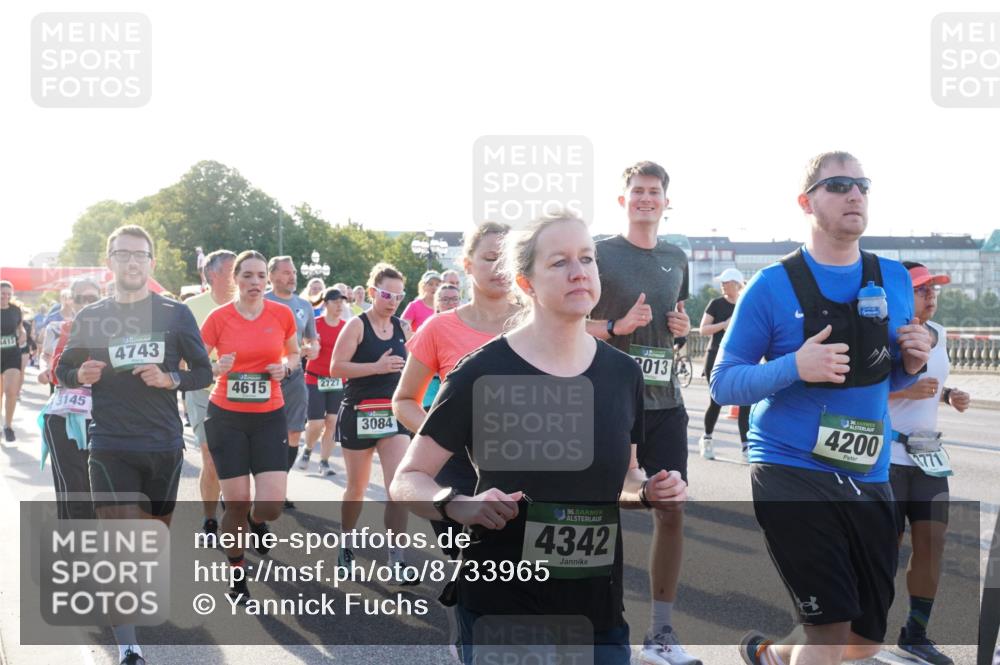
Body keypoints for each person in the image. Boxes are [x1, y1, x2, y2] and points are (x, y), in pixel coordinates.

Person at [391, 213, 688, 665]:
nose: (579, 272)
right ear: (526, 284)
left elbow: (626, 477)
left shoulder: (622, 373)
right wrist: (456, 502)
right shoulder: (482, 371)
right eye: (560, 262)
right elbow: (408, 478)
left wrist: (648, 491)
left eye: (587, 259)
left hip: (597, 610)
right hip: (504, 609)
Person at [709, 152, 932, 665]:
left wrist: (912, 364)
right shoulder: (771, 284)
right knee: (830, 631)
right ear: (806, 202)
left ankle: (774, 657)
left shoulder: (894, 278)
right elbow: (723, 383)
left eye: (861, 184)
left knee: (863, 640)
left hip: (867, 471)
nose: (854, 194)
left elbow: (885, 374)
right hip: (791, 467)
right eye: (837, 185)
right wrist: (795, 366)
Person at [56, 225, 213, 665]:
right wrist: (78, 375)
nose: (131, 261)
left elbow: (203, 372)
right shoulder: (92, 317)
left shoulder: (174, 314)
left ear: (151, 263)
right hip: (109, 444)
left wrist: (171, 378)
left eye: (140, 255)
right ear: (110, 261)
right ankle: (129, 647)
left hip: (163, 444)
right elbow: (63, 370)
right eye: (123, 254)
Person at [585, 161, 697, 665]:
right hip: (607, 401)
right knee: (598, 515)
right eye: (637, 191)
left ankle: (661, 633)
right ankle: (598, 627)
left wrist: (680, 326)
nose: (645, 198)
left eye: (654, 191)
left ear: (666, 201)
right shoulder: (599, 253)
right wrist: (615, 324)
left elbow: (678, 327)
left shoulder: (678, 257)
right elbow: (564, 322)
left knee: (671, 507)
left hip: (665, 402)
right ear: (622, 199)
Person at [392, 221, 518, 660]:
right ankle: (466, 638)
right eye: (488, 258)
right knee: (476, 568)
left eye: (506, 259)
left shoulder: (541, 322)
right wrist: (441, 434)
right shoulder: (439, 328)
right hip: (457, 471)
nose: (498, 268)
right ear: (466, 265)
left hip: (530, 462)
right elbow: (404, 400)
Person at [200, 250, 300, 603]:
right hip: (226, 415)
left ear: (267, 280)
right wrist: (215, 367)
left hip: (269, 414)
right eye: (247, 276)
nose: (255, 282)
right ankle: (237, 573)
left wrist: (285, 368)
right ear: (236, 280)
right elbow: (194, 361)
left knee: (270, 505)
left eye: (260, 276)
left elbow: (294, 354)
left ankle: (257, 523)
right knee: (237, 500)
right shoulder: (219, 317)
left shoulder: (282, 314)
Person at [887, 262, 969, 665]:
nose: (931, 295)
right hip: (885, 458)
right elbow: (857, 395)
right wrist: (905, 390)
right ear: (903, 293)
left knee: (932, 545)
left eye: (934, 288)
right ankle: (853, 629)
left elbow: (929, 385)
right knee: (882, 551)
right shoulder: (886, 335)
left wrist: (948, 393)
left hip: (928, 458)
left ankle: (915, 634)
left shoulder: (940, 335)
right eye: (922, 289)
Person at [330, 262, 415, 580]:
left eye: (398, 295)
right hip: (359, 413)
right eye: (385, 294)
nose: (392, 300)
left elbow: (416, 368)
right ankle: (346, 542)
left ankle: (398, 558)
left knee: (397, 488)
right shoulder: (356, 326)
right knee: (356, 488)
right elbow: (336, 368)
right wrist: (376, 367)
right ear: (371, 293)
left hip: (392, 416)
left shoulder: (405, 329)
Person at [183, 249, 237, 544]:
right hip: (204, 390)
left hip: (243, 392)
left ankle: (235, 505)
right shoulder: (191, 307)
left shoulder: (252, 305)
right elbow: (181, 354)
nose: (239, 275)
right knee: (211, 457)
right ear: (212, 274)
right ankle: (209, 518)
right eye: (233, 269)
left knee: (239, 459)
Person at [37, 277, 102, 519]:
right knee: (74, 491)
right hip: (64, 417)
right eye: (80, 299)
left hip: (105, 419)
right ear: (71, 301)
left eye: (92, 299)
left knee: (102, 491)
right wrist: (49, 373)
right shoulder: (57, 329)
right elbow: (52, 367)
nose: (86, 304)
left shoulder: (115, 329)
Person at [264, 256, 319, 509]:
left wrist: (311, 349)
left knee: (294, 431)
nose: (292, 276)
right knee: (264, 433)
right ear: (272, 275)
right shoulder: (262, 300)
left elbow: (312, 341)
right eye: (285, 272)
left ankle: (278, 487)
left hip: (294, 374)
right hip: (262, 375)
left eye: (294, 272)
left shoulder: (304, 305)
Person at [698, 268, 748, 461]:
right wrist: (724, 324)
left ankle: (745, 447)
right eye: (722, 282)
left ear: (736, 284)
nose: (722, 285)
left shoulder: (744, 303)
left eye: (726, 282)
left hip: (742, 358)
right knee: (716, 400)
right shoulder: (716, 304)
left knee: (746, 401)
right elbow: (703, 329)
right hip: (715, 356)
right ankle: (707, 439)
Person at [299, 287, 348, 476]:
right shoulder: (314, 324)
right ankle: (308, 449)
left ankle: (324, 462)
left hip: (337, 380)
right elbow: (300, 348)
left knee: (332, 422)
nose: (339, 306)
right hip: (314, 378)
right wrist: (309, 348)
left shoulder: (346, 326)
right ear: (326, 303)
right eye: (335, 302)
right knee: (316, 423)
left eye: (341, 302)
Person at [1, 281, 28, 442]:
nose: (5, 297)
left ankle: (8, 426)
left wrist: (23, 332)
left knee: (11, 391)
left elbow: (20, 327)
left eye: (8, 294)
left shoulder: (15, 310)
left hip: (12, 354)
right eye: (2, 293)